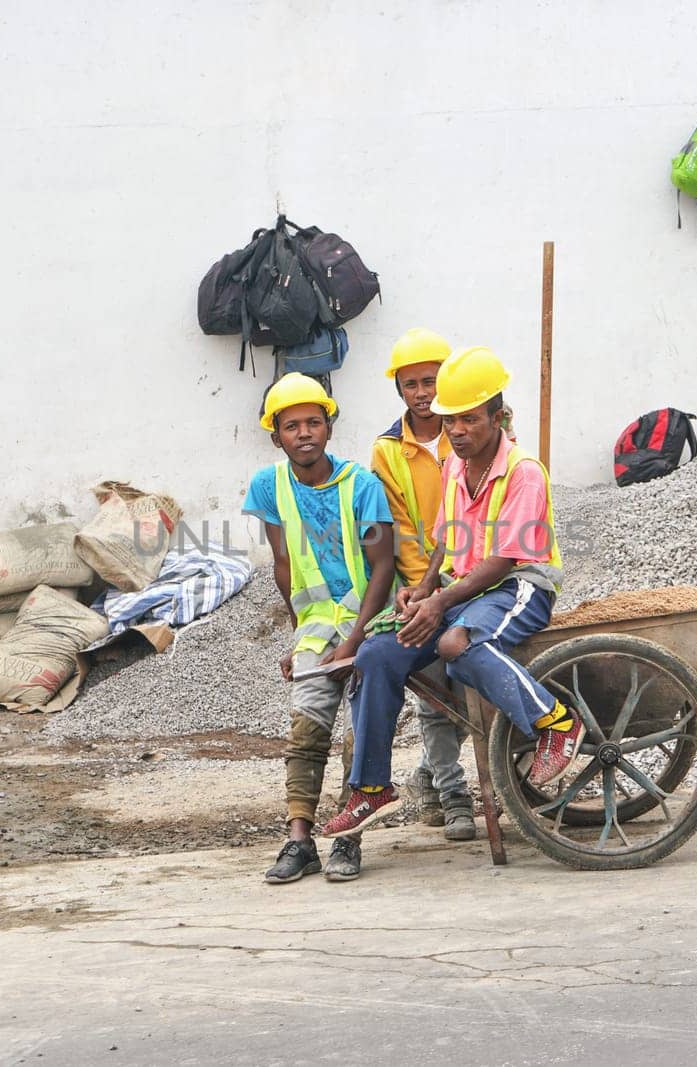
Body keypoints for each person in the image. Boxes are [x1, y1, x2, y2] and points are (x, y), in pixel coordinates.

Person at [320, 347, 580, 841]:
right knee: (376, 654)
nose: (457, 431)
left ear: (497, 417)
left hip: (522, 584)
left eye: (468, 420)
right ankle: (371, 786)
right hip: (467, 592)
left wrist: (440, 603)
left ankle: (556, 721)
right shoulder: (456, 468)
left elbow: (505, 558)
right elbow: (446, 539)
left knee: (456, 646)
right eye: (450, 422)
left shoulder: (523, 470)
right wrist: (423, 588)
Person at [243, 373, 395, 882]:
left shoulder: (361, 486)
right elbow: (284, 564)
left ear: (329, 428)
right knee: (306, 726)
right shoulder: (269, 488)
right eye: (292, 426)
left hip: (369, 623)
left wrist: (353, 640)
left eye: (314, 422)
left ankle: (348, 839)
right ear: (276, 436)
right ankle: (299, 840)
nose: (304, 433)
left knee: (359, 727)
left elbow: (383, 567)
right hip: (315, 626)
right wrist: (298, 637)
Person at [370, 328, 475, 842]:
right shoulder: (389, 451)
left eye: (430, 380)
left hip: (480, 574)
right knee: (435, 696)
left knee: (472, 689)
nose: (422, 393)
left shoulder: (474, 427)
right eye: (410, 384)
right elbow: (396, 525)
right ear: (400, 390)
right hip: (423, 583)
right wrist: (418, 588)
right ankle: (455, 795)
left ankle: (429, 776)